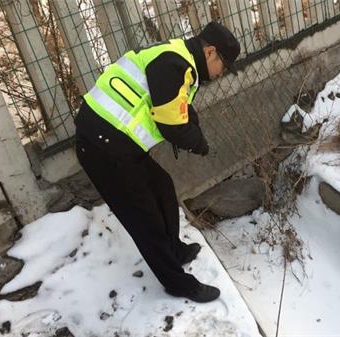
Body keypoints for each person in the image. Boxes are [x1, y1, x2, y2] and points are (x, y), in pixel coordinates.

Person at [74, 22, 240, 303]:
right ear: (210, 52)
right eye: (223, 64)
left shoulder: (179, 59)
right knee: (144, 218)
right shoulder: (174, 64)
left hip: (116, 141)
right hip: (101, 145)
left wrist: (193, 126)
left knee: (162, 186)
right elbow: (171, 126)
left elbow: (177, 105)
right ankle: (177, 283)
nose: (222, 72)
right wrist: (200, 143)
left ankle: (174, 249)